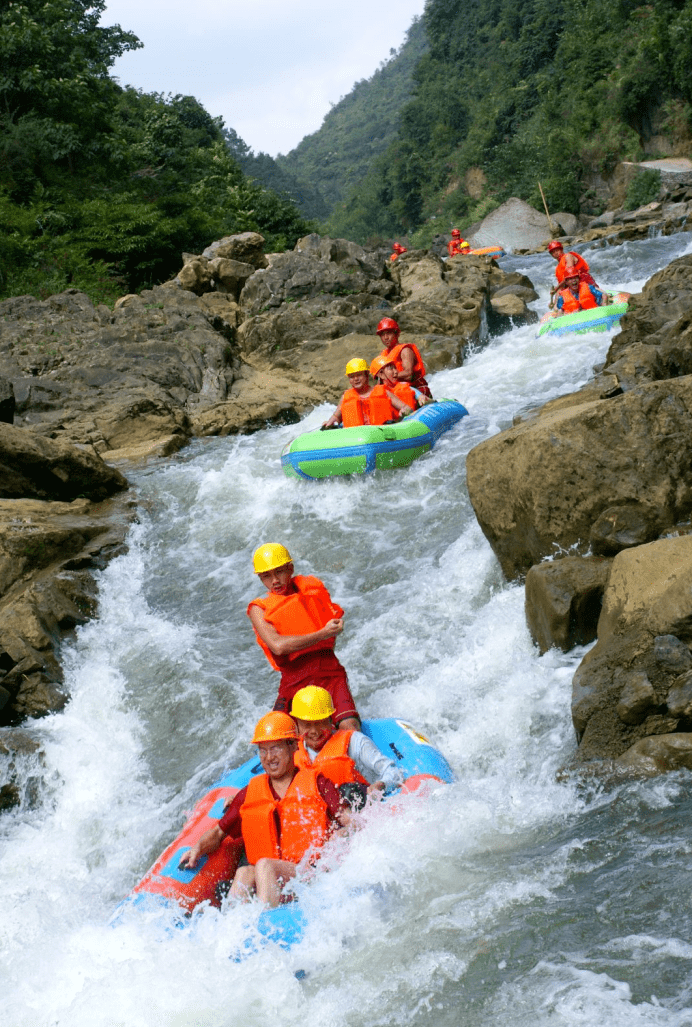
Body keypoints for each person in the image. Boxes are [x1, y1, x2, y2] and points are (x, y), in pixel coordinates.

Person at [180, 712, 351, 908]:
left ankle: (265, 923)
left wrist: (341, 838)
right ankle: (235, 928)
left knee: (264, 865)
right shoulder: (250, 792)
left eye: (276, 748)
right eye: (263, 750)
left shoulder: (318, 783)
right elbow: (219, 832)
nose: (269, 758)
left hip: (312, 874)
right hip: (271, 881)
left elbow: (350, 823)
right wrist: (197, 849)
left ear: (294, 746)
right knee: (244, 872)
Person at [248, 542, 361, 731]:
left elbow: (330, 632)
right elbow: (278, 646)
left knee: (350, 726)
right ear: (261, 579)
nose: (275, 580)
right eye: (266, 576)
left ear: (290, 568)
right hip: (294, 681)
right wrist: (323, 633)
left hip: (329, 672)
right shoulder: (258, 609)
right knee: (280, 736)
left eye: (279, 572)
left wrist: (333, 629)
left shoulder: (313, 589)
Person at [291, 686, 406, 798]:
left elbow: (394, 772)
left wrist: (381, 785)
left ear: (331, 719)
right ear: (297, 726)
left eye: (320, 723)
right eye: (307, 725)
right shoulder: (293, 753)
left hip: (360, 804)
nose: (314, 731)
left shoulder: (355, 741)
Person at [321, 357, 413, 429]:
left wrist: (404, 412)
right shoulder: (345, 397)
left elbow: (406, 407)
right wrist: (330, 422)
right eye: (352, 377)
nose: (356, 379)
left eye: (359, 375)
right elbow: (336, 416)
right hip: (356, 438)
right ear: (349, 380)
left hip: (383, 434)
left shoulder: (384, 392)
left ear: (366, 375)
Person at [376, 318, 432, 398]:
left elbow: (409, 374)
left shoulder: (405, 350)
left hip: (416, 390)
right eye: (382, 335)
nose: (385, 337)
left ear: (397, 334)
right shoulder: (383, 355)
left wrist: (389, 376)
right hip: (398, 391)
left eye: (389, 333)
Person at [547, 240, 599, 305]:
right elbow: (562, 285)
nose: (556, 253)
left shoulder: (568, 257)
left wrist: (556, 288)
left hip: (583, 282)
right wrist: (555, 301)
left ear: (561, 249)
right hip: (572, 287)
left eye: (557, 250)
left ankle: (604, 296)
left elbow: (570, 275)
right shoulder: (558, 268)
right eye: (553, 252)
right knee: (560, 293)